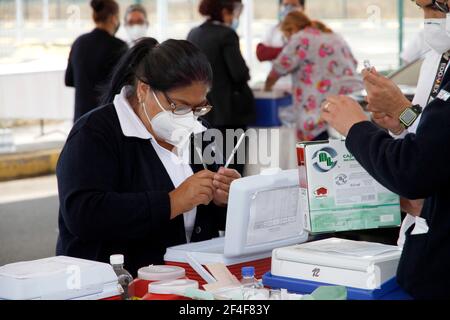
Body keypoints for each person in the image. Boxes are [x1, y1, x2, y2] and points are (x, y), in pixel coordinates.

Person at [56, 38, 241, 277]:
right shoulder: (94, 133)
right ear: (144, 90)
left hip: (189, 278)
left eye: (199, 107)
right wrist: (172, 201)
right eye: (179, 106)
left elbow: (206, 219)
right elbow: (83, 214)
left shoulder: (200, 132)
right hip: (116, 282)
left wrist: (226, 200)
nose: (190, 118)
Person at [320, 0, 450, 299]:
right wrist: (403, 115)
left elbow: (414, 169)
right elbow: (435, 138)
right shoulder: (437, 57)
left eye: (436, 7)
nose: (430, 18)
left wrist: (355, 127)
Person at [265, 11, 362, 141]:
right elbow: (354, 63)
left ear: (291, 29)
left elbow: (278, 68)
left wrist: (266, 89)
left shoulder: (300, 38)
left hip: (320, 114)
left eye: (286, 35)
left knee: (320, 157)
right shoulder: (334, 36)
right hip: (351, 104)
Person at [187, 0, 255, 175]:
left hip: (202, 112)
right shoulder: (226, 34)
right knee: (232, 168)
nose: (235, 17)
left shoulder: (194, 33)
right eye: (235, 12)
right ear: (225, 11)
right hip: (228, 113)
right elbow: (239, 73)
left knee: (208, 167)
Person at [65, 0, 128, 122]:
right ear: (113, 18)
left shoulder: (79, 43)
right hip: (105, 120)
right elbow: (124, 86)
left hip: (80, 119)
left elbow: (69, 80)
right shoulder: (118, 46)